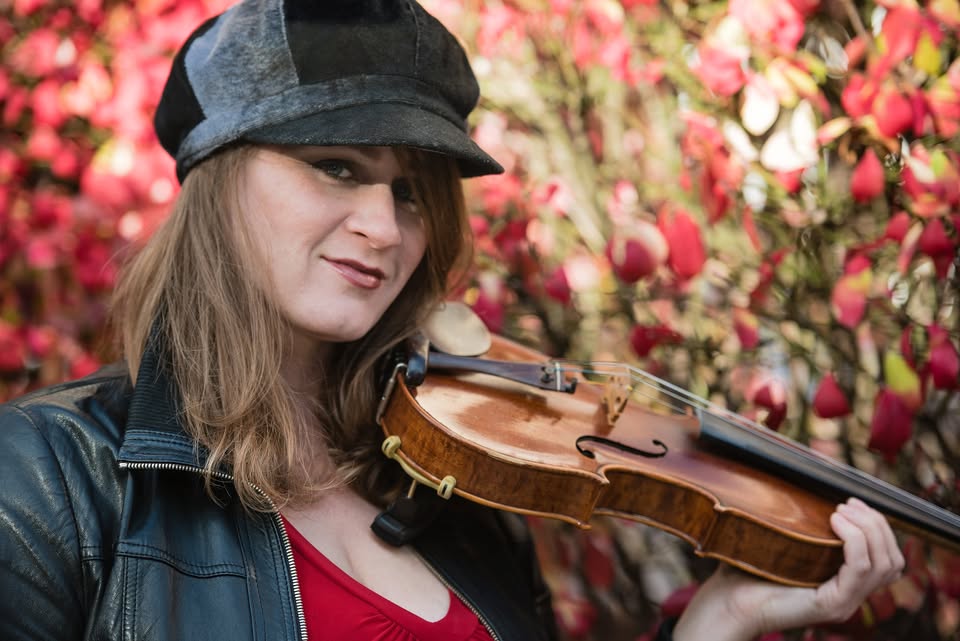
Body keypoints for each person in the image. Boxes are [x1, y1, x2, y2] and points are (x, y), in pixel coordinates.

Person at [0, 1, 904, 640]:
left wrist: (721, 619)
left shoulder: (450, 494)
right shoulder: (47, 484)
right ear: (218, 179)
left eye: (410, 192)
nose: (385, 228)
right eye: (337, 167)